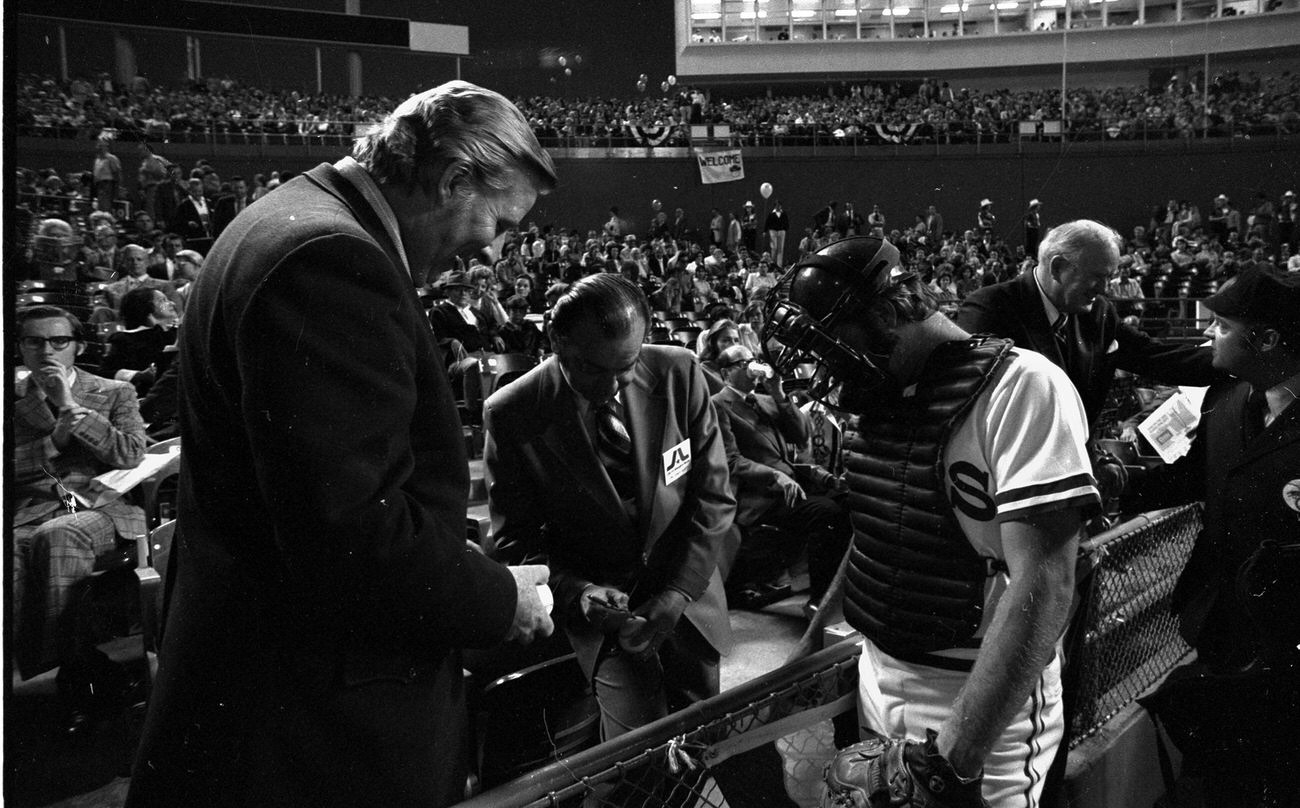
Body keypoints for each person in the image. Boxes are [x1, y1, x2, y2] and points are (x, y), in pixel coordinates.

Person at [127, 80, 558, 808]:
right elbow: (352, 532)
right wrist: (496, 597)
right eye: (503, 221)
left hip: (266, 694)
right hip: (307, 729)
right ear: (453, 178)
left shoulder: (291, 218)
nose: (496, 250)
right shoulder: (330, 258)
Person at [762, 236, 1099, 807]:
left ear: (892, 310)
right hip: (877, 675)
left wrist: (951, 759)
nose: (830, 367)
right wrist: (812, 643)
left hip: (979, 696)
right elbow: (878, 531)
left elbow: (1048, 583)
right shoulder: (883, 395)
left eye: (837, 346)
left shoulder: (1022, 386)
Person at [483, 273, 734, 743]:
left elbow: (714, 495)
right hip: (602, 619)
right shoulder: (513, 411)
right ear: (556, 340)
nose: (614, 385)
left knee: (704, 742)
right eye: (594, 370)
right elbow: (516, 541)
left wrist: (678, 591)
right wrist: (578, 593)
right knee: (635, 758)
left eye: (628, 366)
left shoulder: (679, 372)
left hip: (688, 598)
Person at [1139, 267, 1300, 807]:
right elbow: (1190, 477)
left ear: (1268, 339)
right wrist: (1111, 485)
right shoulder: (1227, 400)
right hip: (1224, 634)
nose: (1209, 333)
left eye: (1223, 325)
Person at [12, 305, 147, 735]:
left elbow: (129, 453)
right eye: (34, 342)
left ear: (78, 347)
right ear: (20, 348)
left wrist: (70, 408)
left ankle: (75, 682)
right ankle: (87, 670)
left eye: (58, 342)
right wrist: (54, 439)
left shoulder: (112, 392)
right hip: (29, 509)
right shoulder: (8, 398)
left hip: (100, 508)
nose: (46, 350)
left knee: (59, 536)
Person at [957, 219, 1220, 429]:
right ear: (1059, 267)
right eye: (1097, 277)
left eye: (1109, 277)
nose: (1105, 289)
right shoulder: (989, 310)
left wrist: (1229, 360)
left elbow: (1152, 355)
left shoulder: (1098, 312)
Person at [711, 344, 850, 616]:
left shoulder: (766, 399)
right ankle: (820, 600)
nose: (752, 365)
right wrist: (775, 476)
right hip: (761, 494)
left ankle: (839, 592)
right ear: (726, 373)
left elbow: (801, 435)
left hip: (794, 484)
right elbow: (731, 460)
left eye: (753, 359)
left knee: (848, 502)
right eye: (743, 363)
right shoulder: (718, 404)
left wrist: (778, 392)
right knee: (826, 514)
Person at [766, 199, 789, 267]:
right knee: (774, 247)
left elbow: (786, 222)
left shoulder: (783, 213)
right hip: (773, 231)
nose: (778, 207)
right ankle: (772, 263)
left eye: (779, 205)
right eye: (776, 205)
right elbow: (767, 222)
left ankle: (779, 265)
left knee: (780, 248)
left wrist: (785, 229)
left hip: (781, 231)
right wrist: (765, 231)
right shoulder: (771, 214)